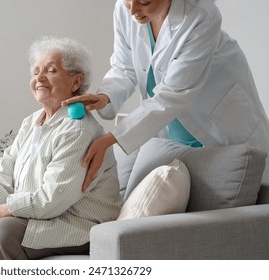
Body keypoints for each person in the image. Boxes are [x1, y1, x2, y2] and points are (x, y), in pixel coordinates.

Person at [0, 37, 122, 260]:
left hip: (76, 223)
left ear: (76, 82)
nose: (39, 78)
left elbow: (51, 200)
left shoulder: (79, 130)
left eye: (51, 71)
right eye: (35, 72)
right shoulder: (32, 121)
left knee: (0, 231)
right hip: (43, 216)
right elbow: (4, 172)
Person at [62, 0, 269, 191]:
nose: (133, 9)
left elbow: (172, 94)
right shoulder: (125, 10)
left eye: (144, 2)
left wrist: (110, 139)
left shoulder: (201, 15)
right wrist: (105, 96)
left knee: (238, 192)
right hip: (171, 127)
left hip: (218, 121)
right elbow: (124, 68)